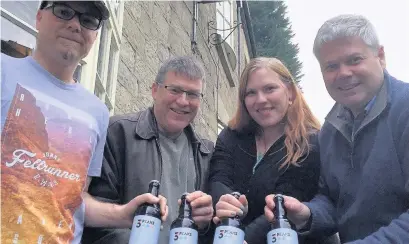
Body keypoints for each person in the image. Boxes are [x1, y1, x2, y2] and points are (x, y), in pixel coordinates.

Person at [1, 1, 169, 243]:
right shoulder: (4, 71)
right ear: (39, 17)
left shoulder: (97, 113)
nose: (74, 25)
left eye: (88, 20)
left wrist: (123, 214)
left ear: (94, 36)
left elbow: (74, 199)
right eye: (63, 11)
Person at [264, 14, 409, 243]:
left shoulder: (405, 109)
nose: (343, 73)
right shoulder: (330, 131)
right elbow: (332, 199)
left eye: (354, 60)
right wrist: (307, 214)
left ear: (380, 57)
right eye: (331, 66)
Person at [82, 56, 215, 244]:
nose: (183, 101)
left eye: (193, 94)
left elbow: (210, 229)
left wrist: (206, 222)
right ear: (154, 90)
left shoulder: (207, 153)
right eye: (175, 90)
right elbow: (94, 219)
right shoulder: (117, 133)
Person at [209, 57, 337, 244]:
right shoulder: (231, 136)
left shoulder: (311, 142)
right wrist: (229, 203)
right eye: (251, 92)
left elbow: (285, 203)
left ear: (291, 93)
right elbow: (218, 177)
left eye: (270, 89)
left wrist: (241, 239)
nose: (261, 100)